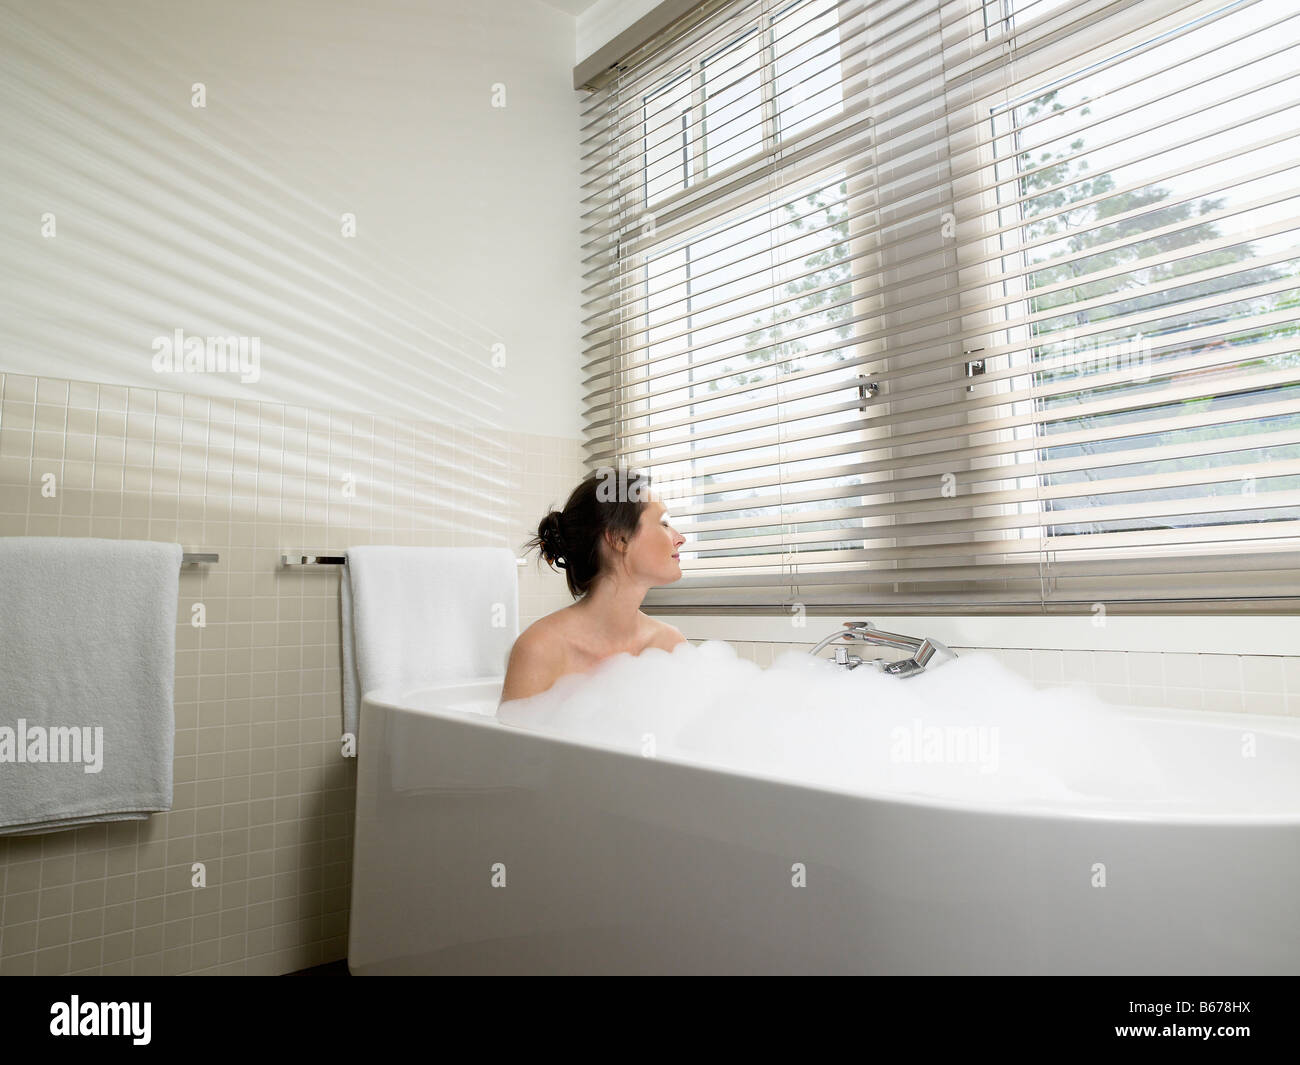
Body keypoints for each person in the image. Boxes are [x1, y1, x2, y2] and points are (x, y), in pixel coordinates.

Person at [499, 468, 687, 704]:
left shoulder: (670, 645)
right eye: (664, 523)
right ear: (619, 538)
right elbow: (508, 742)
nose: (680, 538)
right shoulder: (540, 649)